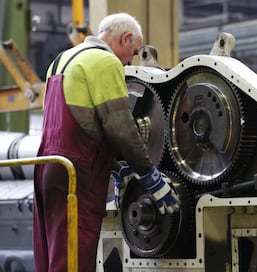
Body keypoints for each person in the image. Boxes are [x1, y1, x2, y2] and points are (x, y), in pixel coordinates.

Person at [33, 13, 179, 272]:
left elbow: (77, 121)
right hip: (77, 175)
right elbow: (120, 127)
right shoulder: (105, 61)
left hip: (48, 166)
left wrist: (113, 165)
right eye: (132, 53)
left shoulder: (61, 59)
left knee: (55, 252)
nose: (128, 63)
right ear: (125, 38)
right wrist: (149, 176)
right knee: (76, 255)